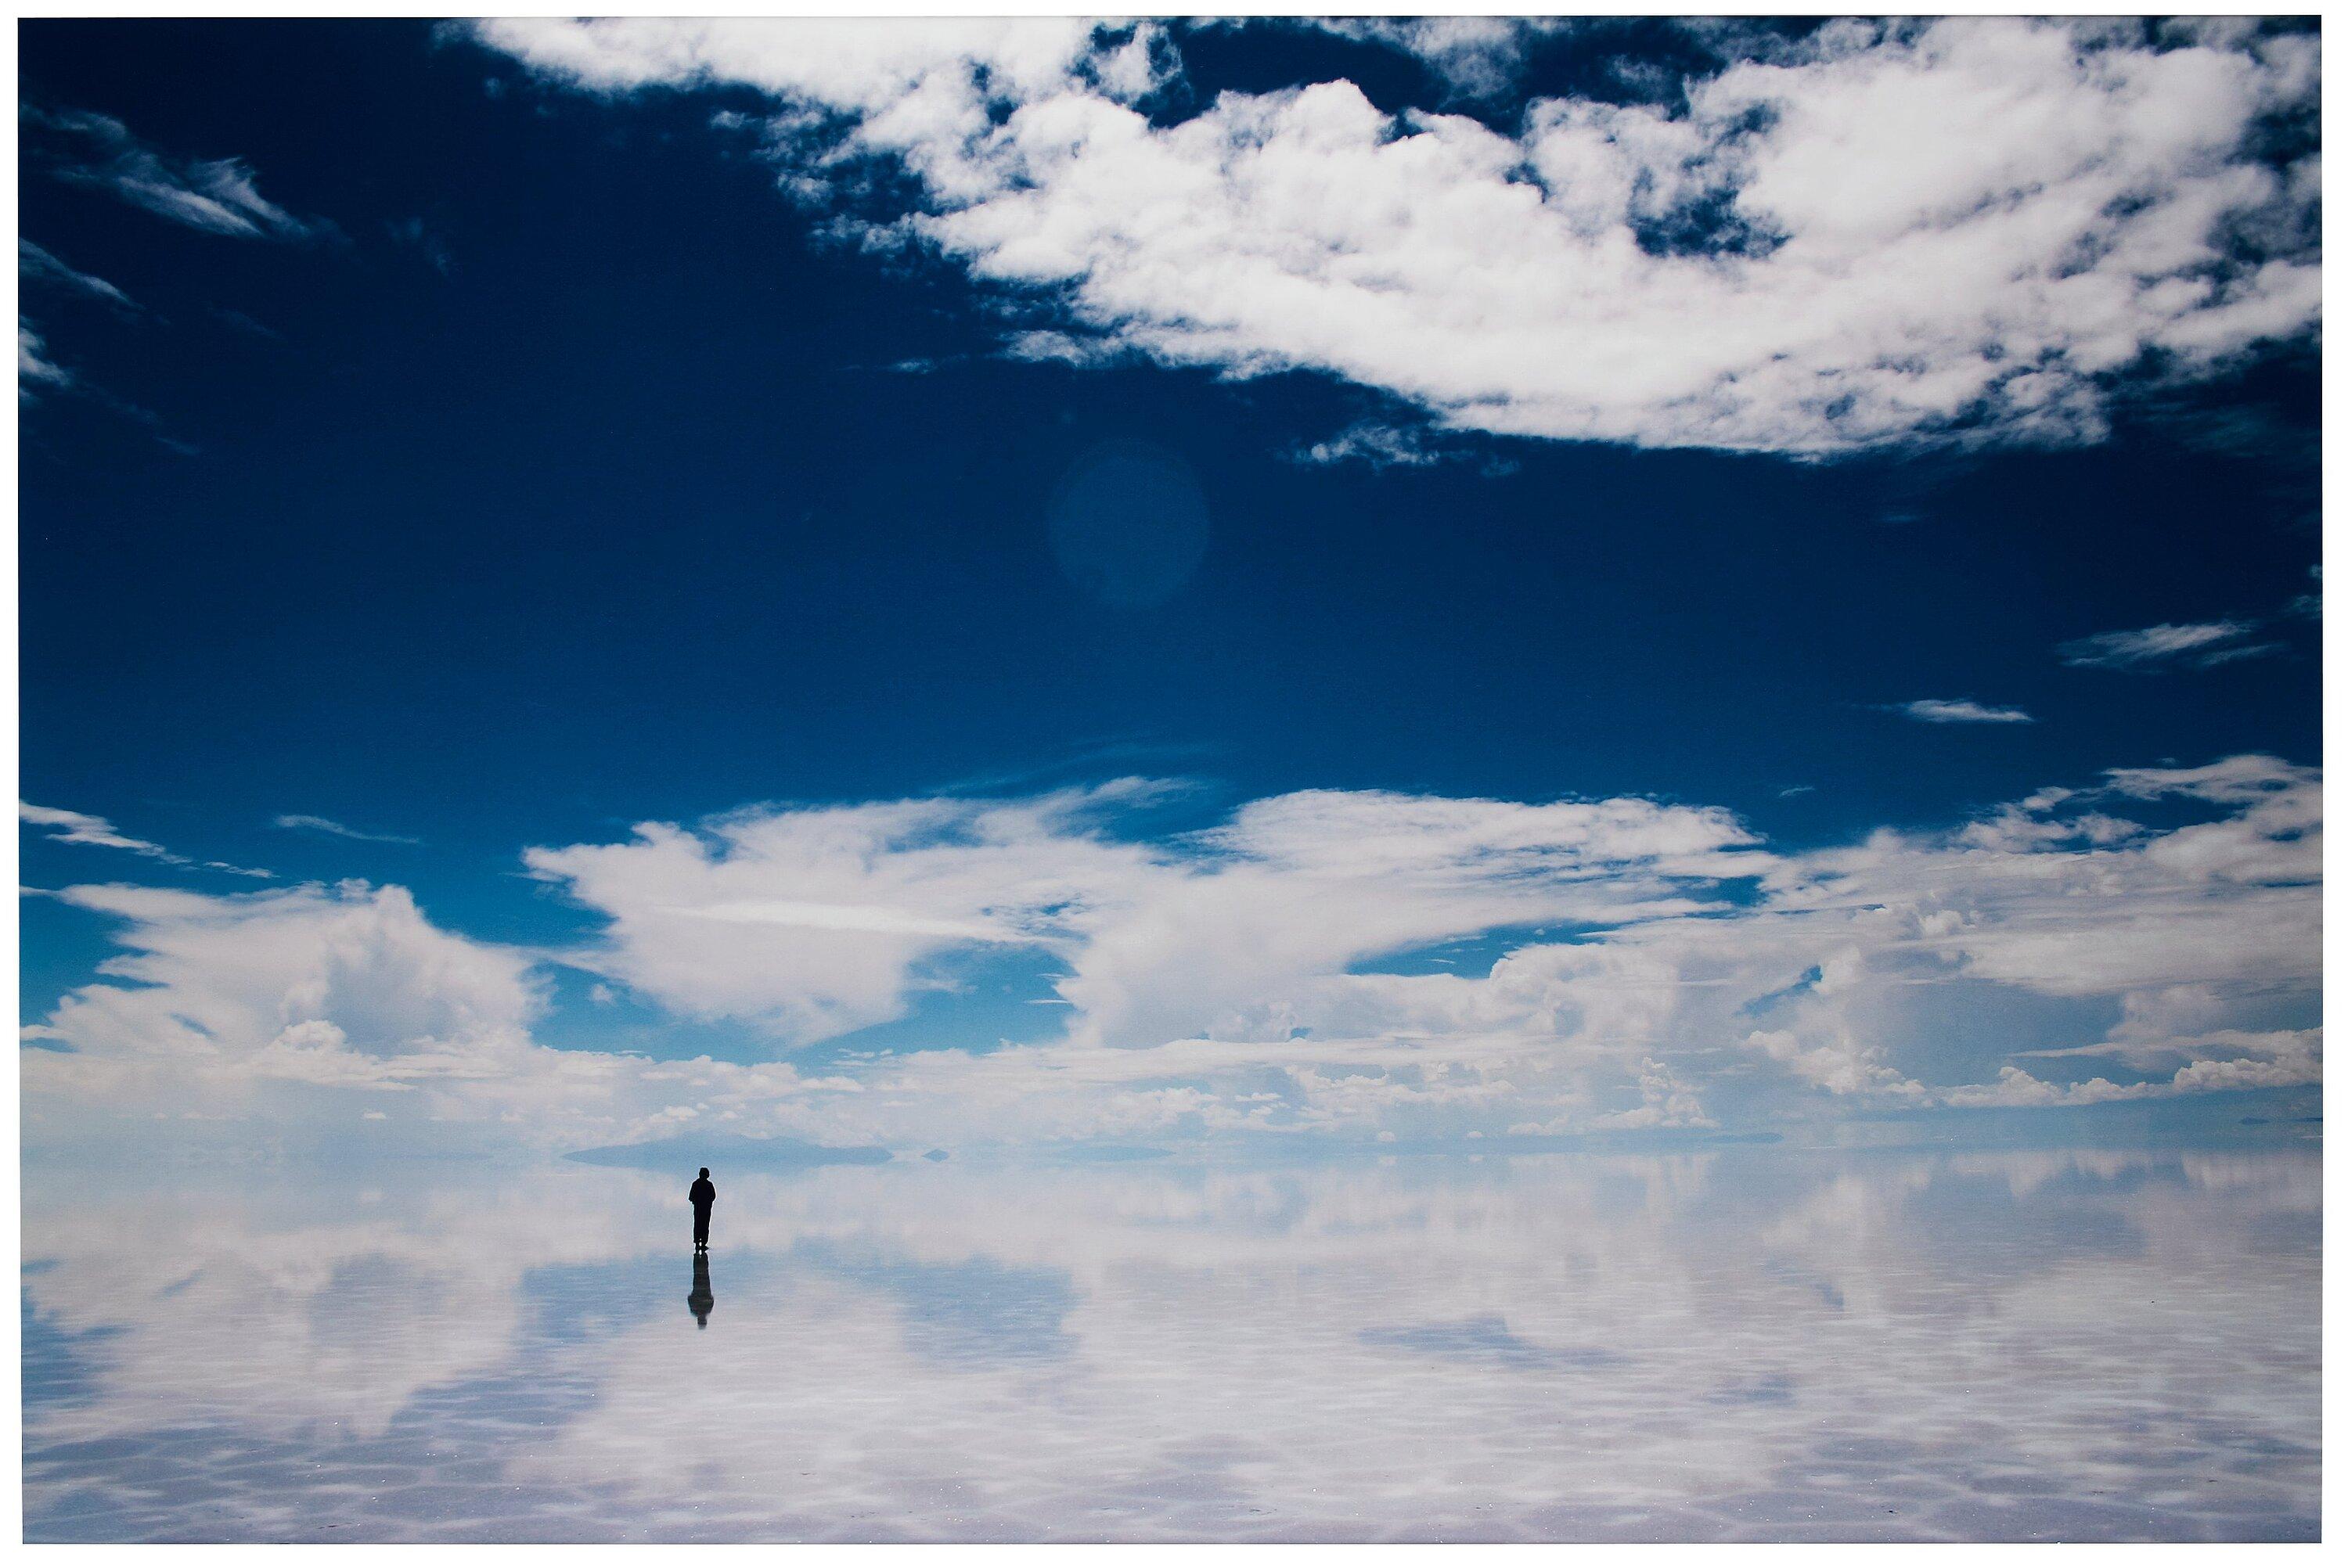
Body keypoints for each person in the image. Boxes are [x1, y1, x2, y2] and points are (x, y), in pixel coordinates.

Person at [689, 1167, 716, 1250]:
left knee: (698, 1224)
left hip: (700, 1208)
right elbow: (713, 1196)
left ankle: (698, 1242)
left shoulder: (696, 1184)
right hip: (705, 1209)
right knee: (704, 1225)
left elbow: (691, 1197)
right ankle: (702, 1242)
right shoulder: (708, 1184)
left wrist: (697, 1202)